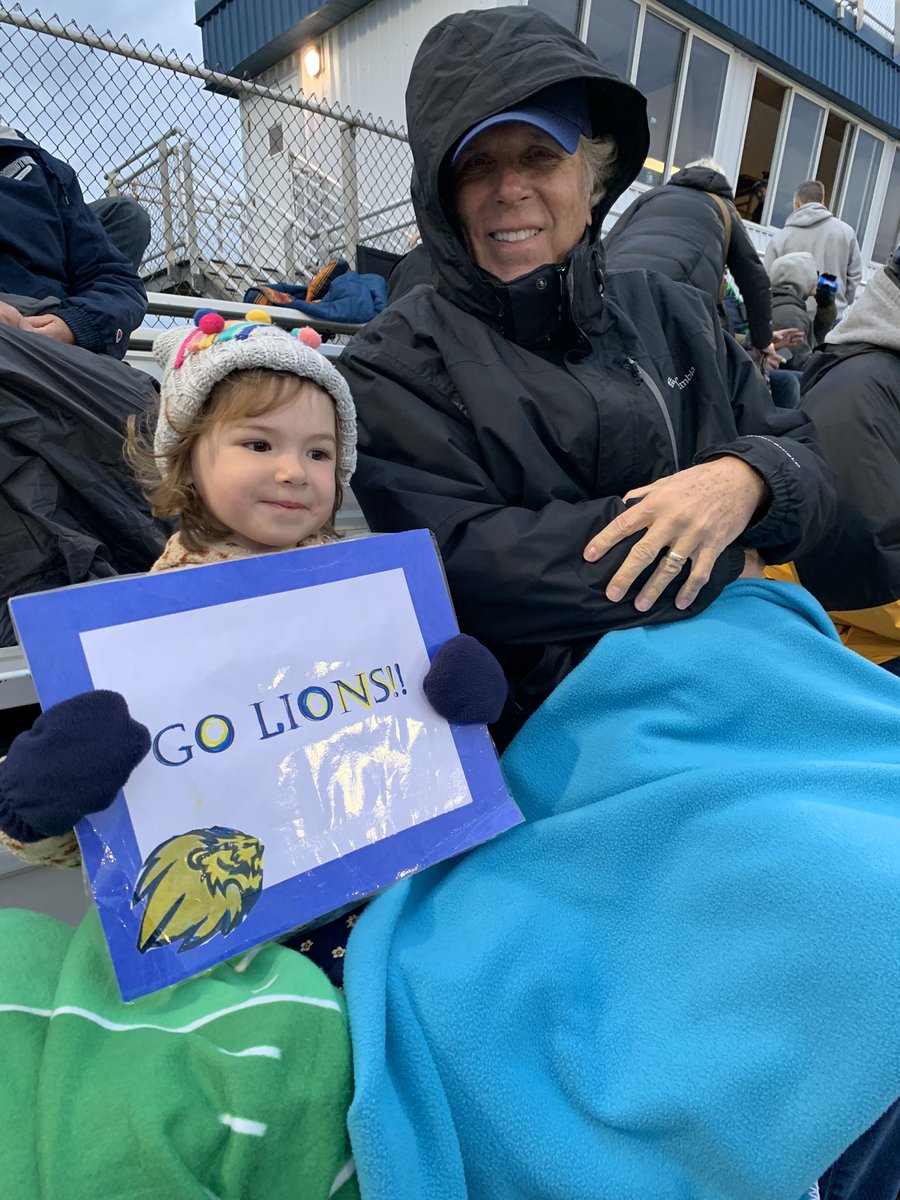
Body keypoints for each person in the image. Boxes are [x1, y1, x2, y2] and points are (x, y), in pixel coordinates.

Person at [339, 6, 835, 748]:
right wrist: (724, 552)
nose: (509, 188)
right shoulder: (393, 361)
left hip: (731, 680)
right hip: (543, 728)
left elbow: (811, 470)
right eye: (477, 164)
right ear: (442, 195)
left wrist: (745, 479)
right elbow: (468, 565)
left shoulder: (680, 317)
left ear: (592, 177)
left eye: (539, 156)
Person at [0, 122, 165, 646]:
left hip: (57, 343)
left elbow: (116, 281)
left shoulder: (39, 169)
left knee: (150, 409)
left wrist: (76, 325)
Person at [604, 155, 780, 366]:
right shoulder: (723, 209)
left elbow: (606, 244)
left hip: (613, 287)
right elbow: (755, 280)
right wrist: (763, 341)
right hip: (673, 306)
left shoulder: (652, 196)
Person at [764, 180, 862, 318]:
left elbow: (767, 279)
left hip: (791, 316)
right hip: (831, 315)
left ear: (797, 204)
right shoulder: (846, 233)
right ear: (822, 203)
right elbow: (855, 274)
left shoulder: (781, 238)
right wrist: (842, 301)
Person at [768, 251, 838, 373]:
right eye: (812, 275)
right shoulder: (792, 315)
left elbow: (814, 340)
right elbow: (803, 365)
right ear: (800, 279)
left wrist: (825, 308)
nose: (816, 280)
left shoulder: (782, 304)